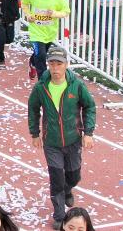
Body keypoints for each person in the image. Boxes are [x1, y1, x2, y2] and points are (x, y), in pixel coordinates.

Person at [27, 47, 97, 230]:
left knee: (74, 175)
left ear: (66, 65)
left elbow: (89, 107)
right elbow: (33, 109)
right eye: (52, 64)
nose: (55, 68)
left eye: (59, 64)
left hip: (73, 140)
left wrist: (88, 133)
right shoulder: (41, 87)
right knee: (56, 177)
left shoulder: (77, 85)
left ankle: (68, 189)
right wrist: (35, 134)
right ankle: (59, 215)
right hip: (52, 143)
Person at [22, 0, 71, 79]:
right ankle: (43, 81)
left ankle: (32, 63)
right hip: (36, 32)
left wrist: (54, 13)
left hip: (49, 33)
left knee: (39, 54)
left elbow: (66, 11)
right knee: (42, 56)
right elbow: (24, 2)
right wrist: (28, 15)